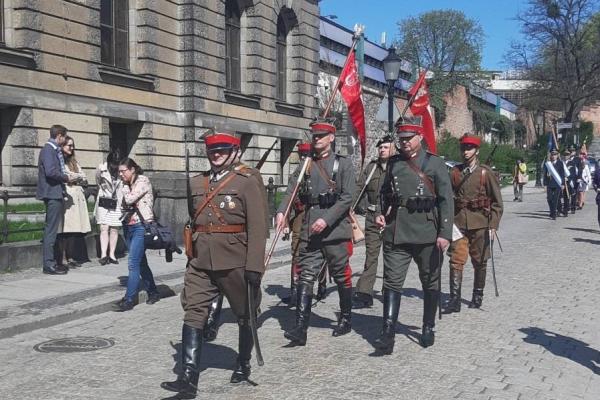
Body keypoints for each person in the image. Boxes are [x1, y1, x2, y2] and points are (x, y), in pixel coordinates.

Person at [161, 131, 267, 398]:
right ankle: (188, 379)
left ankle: (243, 363)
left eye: (222, 150)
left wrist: (255, 267)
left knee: (245, 314)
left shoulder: (247, 182)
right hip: (200, 260)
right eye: (212, 151)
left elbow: (258, 227)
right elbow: (194, 219)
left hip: (235, 261)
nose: (216, 155)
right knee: (193, 312)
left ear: (234, 151)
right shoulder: (197, 183)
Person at [373, 122, 453, 353]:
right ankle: (387, 332)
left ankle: (428, 326)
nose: (405, 142)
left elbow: (446, 200)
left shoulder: (435, 163)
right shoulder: (394, 163)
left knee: (430, 281)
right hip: (398, 232)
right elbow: (384, 193)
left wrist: (444, 233)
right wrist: (380, 213)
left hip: (428, 233)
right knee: (391, 282)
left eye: (409, 137)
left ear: (420, 136)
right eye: (402, 138)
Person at [276, 119, 356, 345]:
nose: (317, 139)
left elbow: (347, 197)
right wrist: (282, 211)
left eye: (321, 136)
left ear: (331, 138)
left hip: (335, 229)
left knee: (340, 274)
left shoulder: (343, 164)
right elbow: (291, 190)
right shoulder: (306, 164)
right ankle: (300, 328)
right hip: (311, 228)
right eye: (315, 136)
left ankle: (346, 318)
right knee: (306, 275)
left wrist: (327, 219)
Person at [443, 134, 503, 314]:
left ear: (476, 151)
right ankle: (454, 299)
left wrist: (493, 224)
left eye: (469, 148)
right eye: (463, 148)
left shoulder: (485, 173)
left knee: (480, 261)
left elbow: (497, 202)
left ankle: (478, 295)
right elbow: (447, 197)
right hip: (459, 222)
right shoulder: (455, 172)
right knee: (456, 260)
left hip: (480, 223)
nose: (466, 151)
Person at [352, 135, 395, 309]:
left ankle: (389, 290)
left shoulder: (398, 168)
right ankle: (365, 293)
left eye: (385, 147)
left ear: (393, 148)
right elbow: (359, 189)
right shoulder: (371, 168)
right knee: (371, 256)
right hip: (372, 217)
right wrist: (350, 207)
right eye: (380, 147)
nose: (382, 150)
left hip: (393, 218)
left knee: (391, 257)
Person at [114, 158, 160, 312]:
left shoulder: (143, 181)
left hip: (141, 226)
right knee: (141, 263)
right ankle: (153, 292)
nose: (120, 174)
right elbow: (121, 204)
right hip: (128, 226)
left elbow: (128, 198)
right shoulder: (124, 184)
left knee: (133, 263)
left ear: (132, 169)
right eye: (119, 171)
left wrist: (125, 187)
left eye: (123, 171)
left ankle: (129, 299)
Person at [36, 124, 72, 275]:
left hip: (55, 192)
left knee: (53, 229)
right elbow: (51, 172)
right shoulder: (48, 150)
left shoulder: (52, 150)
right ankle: (48, 264)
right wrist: (66, 177)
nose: (64, 141)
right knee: (51, 230)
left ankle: (53, 262)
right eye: (64, 137)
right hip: (52, 193)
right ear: (59, 136)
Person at [56, 136, 92, 268]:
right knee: (66, 228)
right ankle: (63, 257)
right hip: (67, 197)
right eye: (68, 145)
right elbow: (66, 176)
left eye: (72, 145)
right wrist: (74, 177)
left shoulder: (74, 162)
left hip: (77, 197)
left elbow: (83, 176)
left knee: (75, 229)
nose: (71, 148)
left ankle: (71, 256)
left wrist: (75, 177)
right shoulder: (59, 161)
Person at [94, 149, 123, 264]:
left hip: (117, 202)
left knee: (115, 228)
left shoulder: (121, 170)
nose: (115, 167)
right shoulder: (101, 169)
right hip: (104, 202)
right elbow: (97, 182)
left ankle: (112, 254)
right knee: (104, 228)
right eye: (113, 164)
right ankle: (103, 254)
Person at [543, 149, 567, 220]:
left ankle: (553, 214)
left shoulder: (560, 163)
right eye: (552, 154)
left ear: (557, 155)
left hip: (557, 184)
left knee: (555, 199)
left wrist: (562, 183)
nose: (553, 156)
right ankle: (552, 211)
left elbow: (562, 174)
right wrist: (544, 184)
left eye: (555, 155)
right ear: (550, 155)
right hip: (549, 184)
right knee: (549, 199)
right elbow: (545, 174)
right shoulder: (548, 163)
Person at [562, 148, 580, 216]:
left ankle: (573, 208)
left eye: (567, 155)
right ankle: (565, 211)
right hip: (564, 182)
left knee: (572, 196)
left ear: (569, 155)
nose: (566, 156)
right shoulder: (562, 163)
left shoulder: (572, 163)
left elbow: (573, 173)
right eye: (564, 155)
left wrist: (568, 178)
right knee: (566, 197)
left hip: (570, 182)